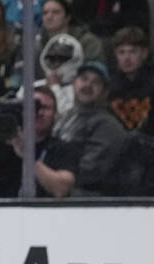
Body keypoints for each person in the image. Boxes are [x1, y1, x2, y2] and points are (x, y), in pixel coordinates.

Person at [0, 84, 79, 197]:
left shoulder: (64, 148)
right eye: (33, 108)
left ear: (55, 114)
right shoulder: (5, 146)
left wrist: (28, 155)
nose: (39, 113)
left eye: (45, 108)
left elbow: (61, 189)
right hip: (7, 211)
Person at [51, 60, 127, 195]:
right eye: (84, 79)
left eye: (96, 82)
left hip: (88, 201)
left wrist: (52, 178)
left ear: (105, 92)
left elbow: (90, 175)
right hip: (58, 188)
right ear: (74, 84)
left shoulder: (107, 126)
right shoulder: (66, 116)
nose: (87, 85)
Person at [109, 26, 154, 131]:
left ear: (144, 54)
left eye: (133, 52)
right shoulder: (109, 85)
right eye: (121, 52)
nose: (127, 58)